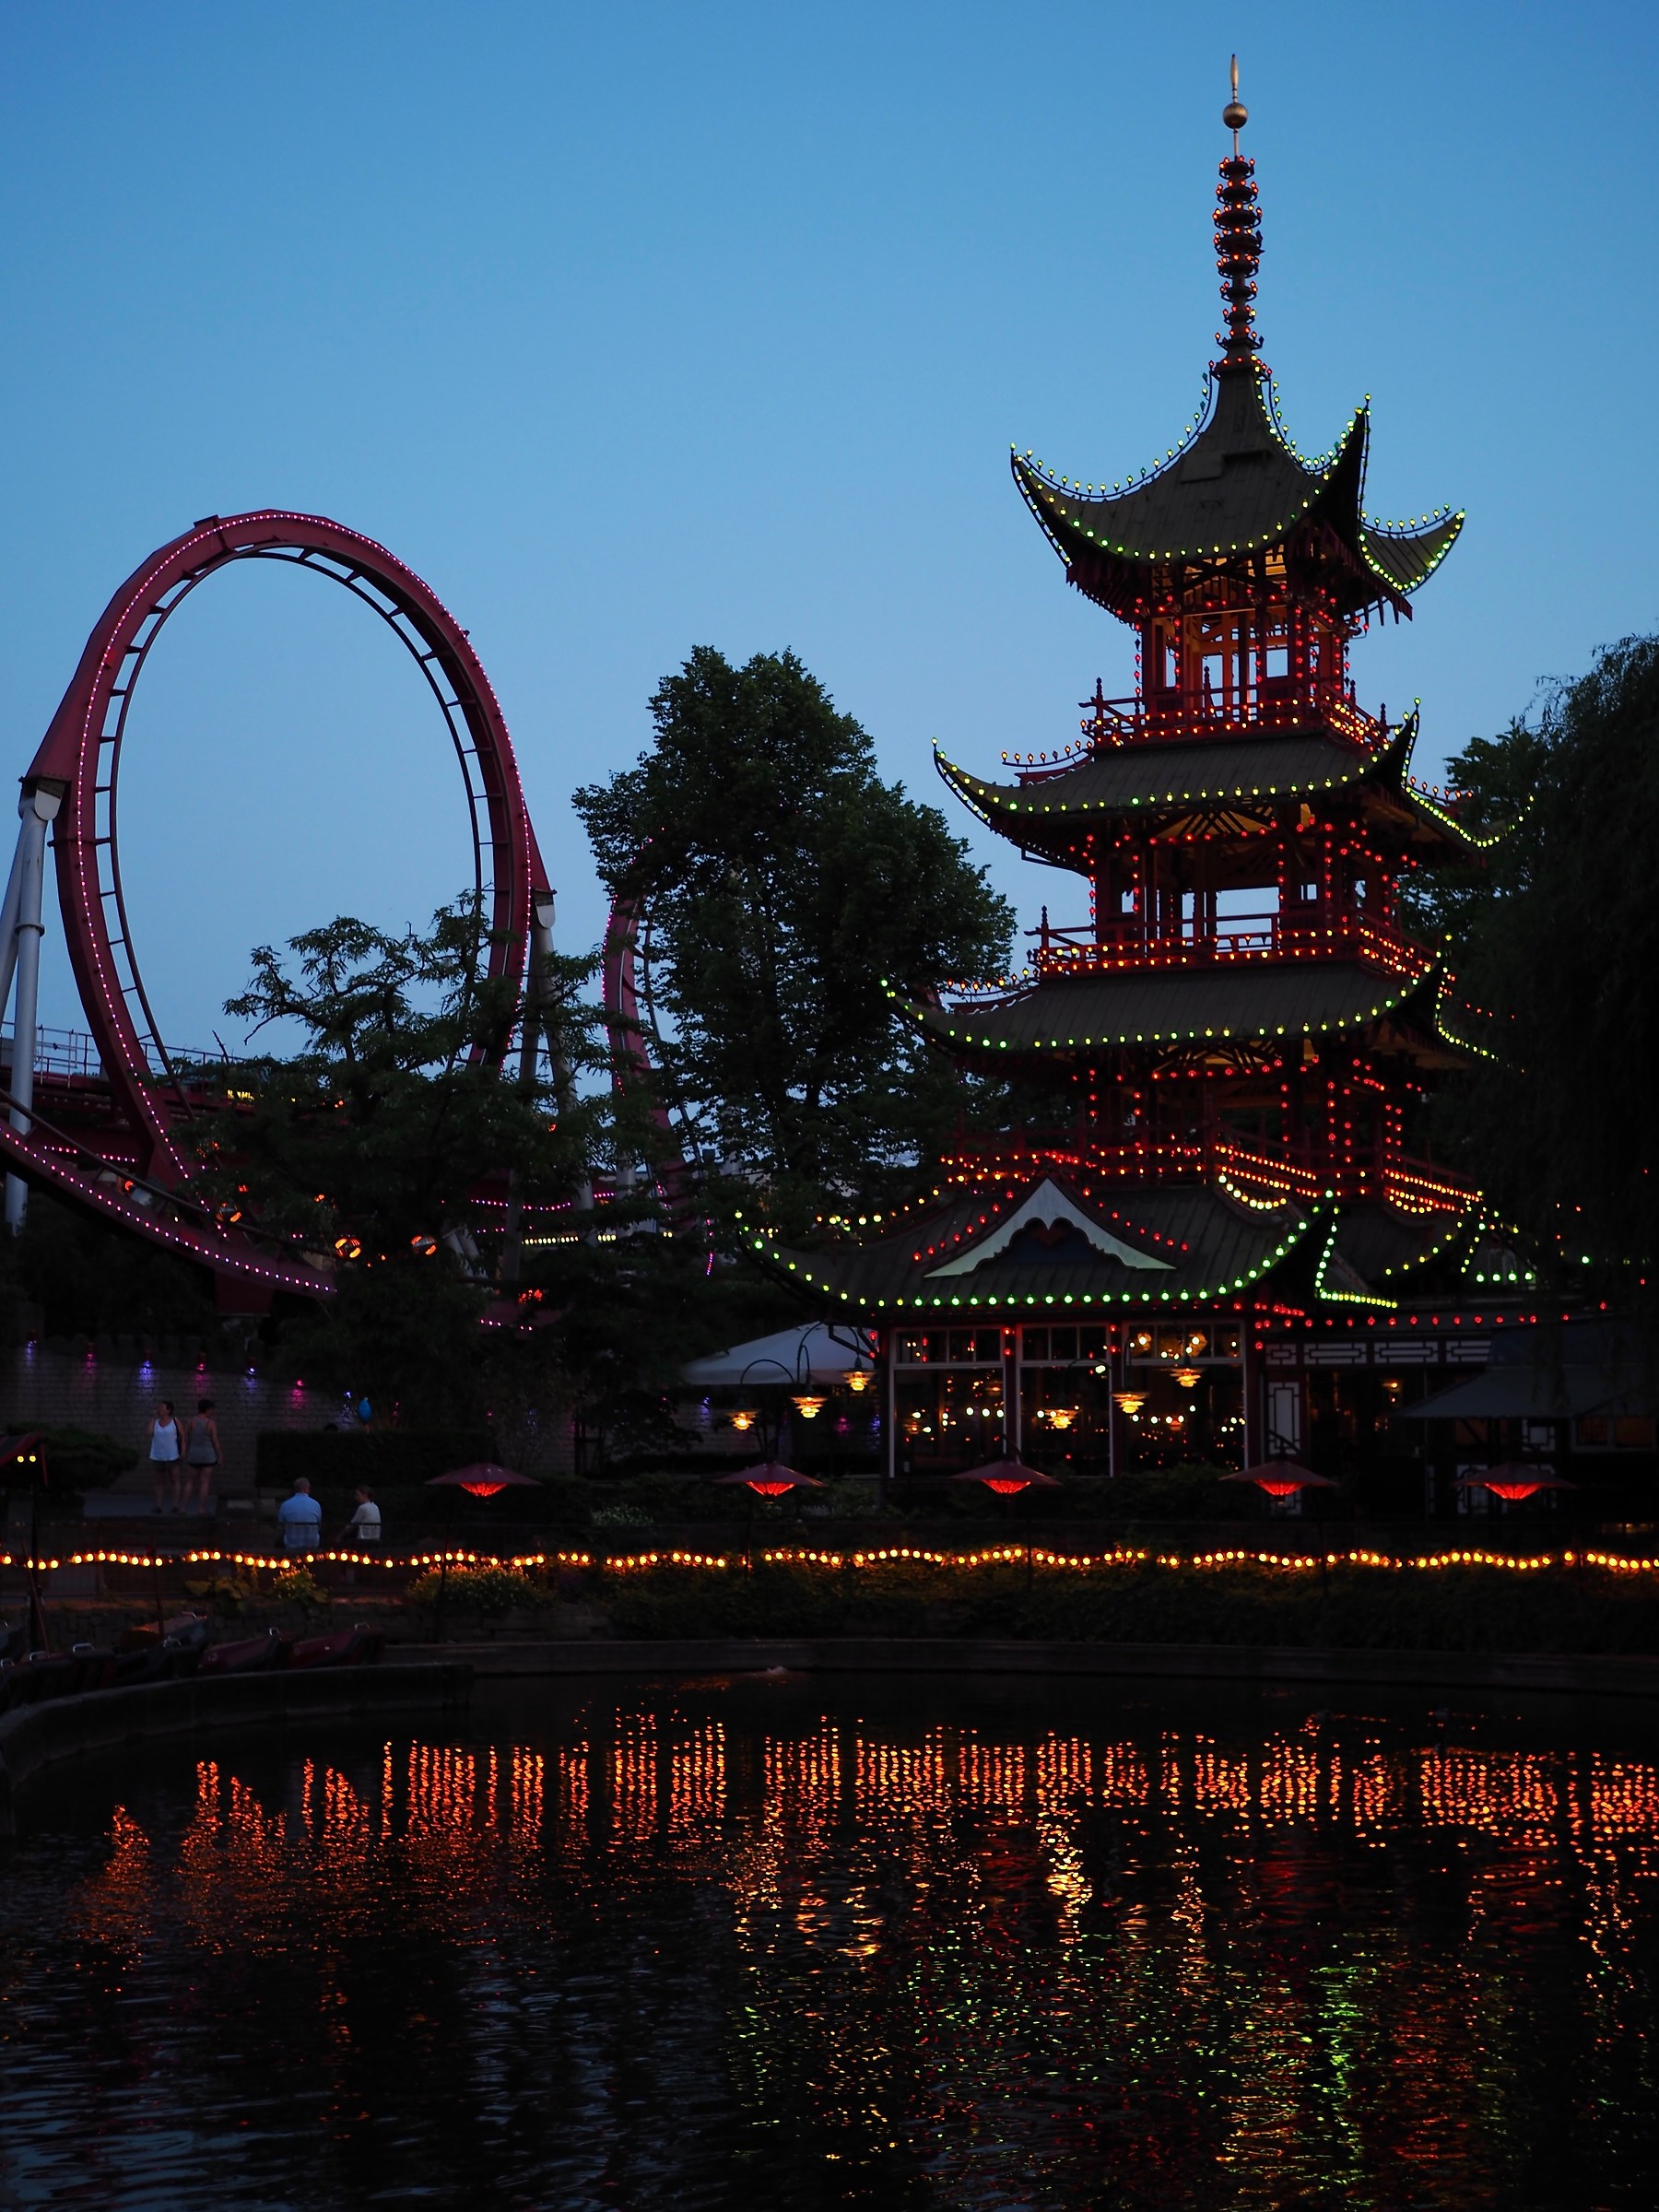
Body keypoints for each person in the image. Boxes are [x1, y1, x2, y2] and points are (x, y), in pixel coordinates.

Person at [182, 1398, 222, 1517]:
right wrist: (220, 1455)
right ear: (207, 1409)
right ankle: (201, 1509)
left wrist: (185, 1451)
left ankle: (183, 1508)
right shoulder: (211, 1423)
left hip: (194, 1455)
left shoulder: (190, 1421)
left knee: (190, 1482)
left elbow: (186, 1438)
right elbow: (215, 1441)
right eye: (211, 1409)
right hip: (208, 1456)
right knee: (204, 1482)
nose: (212, 1412)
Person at [148, 1401, 183, 1514]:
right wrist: (153, 1418)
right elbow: (148, 1433)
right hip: (157, 1455)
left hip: (172, 1455)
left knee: (174, 1480)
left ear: (168, 1410)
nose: (159, 1409)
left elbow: (182, 1436)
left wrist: (183, 1450)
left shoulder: (175, 1421)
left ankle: (175, 1506)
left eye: (162, 1407)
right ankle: (158, 1506)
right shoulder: (156, 1422)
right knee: (159, 1482)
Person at [341, 1485, 381, 1583]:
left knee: (346, 1553)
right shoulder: (375, 1507)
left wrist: (340, 1535)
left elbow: (352, 1524)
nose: (356, 1498)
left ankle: (349, 1579)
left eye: (358, 1495)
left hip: (364, 1540)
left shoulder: (363, 1508)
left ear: (365, 1495)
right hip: (375, 1539)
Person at [277, 1475, 324, 1553]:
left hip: (291, 1545)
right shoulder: (315, 1504)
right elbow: (318, 1525)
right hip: (312, 1545)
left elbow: (281, 1526)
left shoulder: (285, 1505)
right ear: (306, 1488)